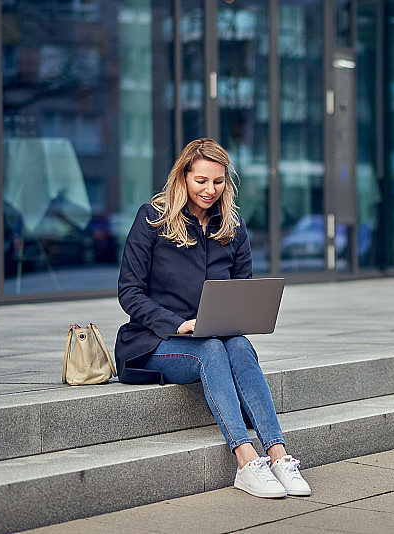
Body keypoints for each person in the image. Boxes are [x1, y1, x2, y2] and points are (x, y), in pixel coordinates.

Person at [115, 138, 310, 499]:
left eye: (218, 181)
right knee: (211, 351)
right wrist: (178, 324)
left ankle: (278, 454)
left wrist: (234, 319)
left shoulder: (233, 228)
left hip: (214, 336)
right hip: (152, 341)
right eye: (200, 181)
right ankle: (246, 459)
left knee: (237, 344)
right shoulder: (151, 219)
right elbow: (129, 292)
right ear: (183, 177)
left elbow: (243, 292)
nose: (209, 190)